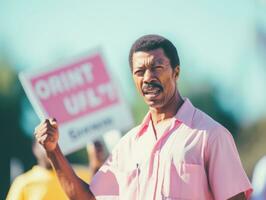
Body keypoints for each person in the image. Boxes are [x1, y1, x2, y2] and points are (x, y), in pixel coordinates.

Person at [34, 34, 253, 200]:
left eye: (157, 67)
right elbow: (87, 197)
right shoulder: (128, 145)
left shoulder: (211, 135)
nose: (148, 78)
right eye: (140, 72)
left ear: (176, 72)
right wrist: (53, 150)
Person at [6, 140, 105, 200]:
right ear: (34, 149)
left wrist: (96, 163)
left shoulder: (82, 174)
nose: (48, 145)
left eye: (55, 141)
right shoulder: (23, 182)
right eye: (42, 143)